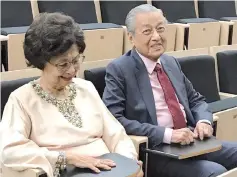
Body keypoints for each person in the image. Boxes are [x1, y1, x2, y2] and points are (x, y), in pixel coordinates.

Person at [0, 12, 143, 177]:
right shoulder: (22, 99)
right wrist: (66, 158)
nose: (72, 70)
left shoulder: (86, 88)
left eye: (75, 61)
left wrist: (128, 163)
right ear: (41, 63)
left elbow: (117, 135)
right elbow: (10, 151)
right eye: (63, 64)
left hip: (109, 171)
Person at [102, 4, 237, 177]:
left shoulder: (170, 62)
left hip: (191, 140)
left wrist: (204, 121)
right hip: (158, 150)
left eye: (160, 29)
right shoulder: (119, 69)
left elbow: (196, 100)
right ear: (131, 37)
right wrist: (167, 135)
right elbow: (115, 120)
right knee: (215, 172)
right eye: (147, 31)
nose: (156, 37)